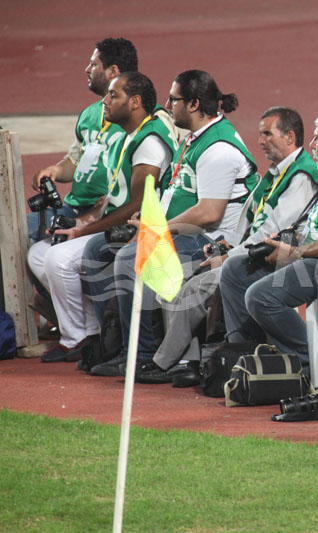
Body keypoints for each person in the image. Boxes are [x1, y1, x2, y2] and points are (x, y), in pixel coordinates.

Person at [136, 106, 318, 383]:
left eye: (267, 134)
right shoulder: (276, 174)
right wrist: (225, 247)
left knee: (194, 287)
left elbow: (271, 234)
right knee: (179, 274)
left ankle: (169, 361)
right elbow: (250, 224)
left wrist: (229, 256)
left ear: (289, 137)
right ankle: (192, 360)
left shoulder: (301, 177)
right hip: (246, 253)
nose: (260, 141)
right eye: (260, 134)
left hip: (272, 260)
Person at [89, 70, 258, 376]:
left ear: (193, 104)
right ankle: (112, 344)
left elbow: (209, 213)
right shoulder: (196, 137)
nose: (167, 105)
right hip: (184, 231)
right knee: (99, 249)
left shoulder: (218, 149)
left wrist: (156, 229)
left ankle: (142, 353)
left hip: (209, 240)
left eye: (174, 99)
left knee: (130, 259)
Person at [28, 71, 177, 363]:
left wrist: (84, 231)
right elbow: (113, 197)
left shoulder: (149, 141)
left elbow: (138, 203)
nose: (105, 101)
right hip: (112, 222)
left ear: (135, 102)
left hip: (135, 229)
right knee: (37, 254)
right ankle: (87, 332)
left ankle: (93, 338)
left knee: (58, 259)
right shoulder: (128, 136)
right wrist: (83, 222)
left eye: (113, 95)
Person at [220, 110, 318, 377]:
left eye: (316, 139)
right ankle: (248, 357)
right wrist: (283, 243)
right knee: (236, 269)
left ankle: (311, 364)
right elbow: (314, 227)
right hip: (310, 256)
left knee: (261, 297)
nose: (311, 145)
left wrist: (296, 252)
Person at [27, 38, 137, 242]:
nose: (87, 69)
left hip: (106, 212)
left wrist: (118, 200)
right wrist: (56, 170)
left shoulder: (139, 116)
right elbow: (75, 160)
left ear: (113, 71)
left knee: (36, 240)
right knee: (17, 230)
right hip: (71, 208)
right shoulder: (89, 115)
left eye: (94, 64)